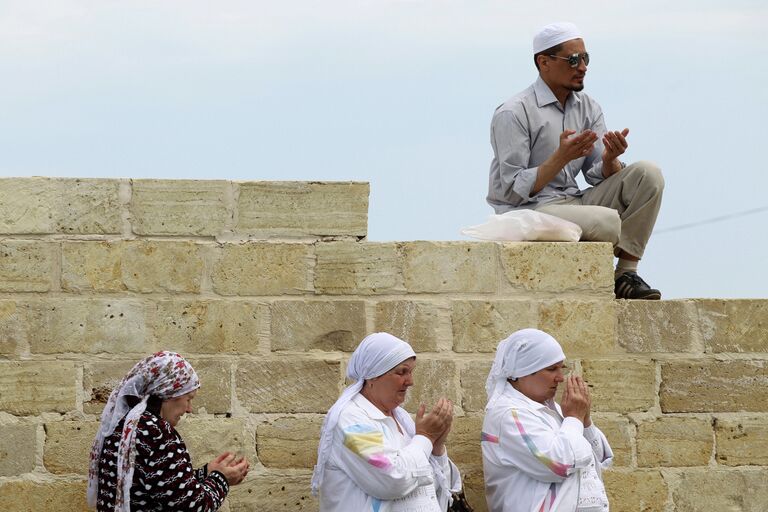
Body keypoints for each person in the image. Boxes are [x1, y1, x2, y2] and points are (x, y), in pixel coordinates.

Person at [486, 21, 664, 300]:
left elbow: (596, 174)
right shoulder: (514, 112)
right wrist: (559, 158)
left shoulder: (588, 107)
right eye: (573, 60)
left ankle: (626, 273)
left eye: (585, 58)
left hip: (574, 202)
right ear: (544, 62)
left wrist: (610, 160)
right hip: (532, 208)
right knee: (607, 222)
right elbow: (510, 191)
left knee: (649, 175)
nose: (582, 67)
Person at [311, 332, 462, 511]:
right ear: (374, 375)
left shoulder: (402, 419)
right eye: (402, 372)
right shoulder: (350, 422)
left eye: (411, 372)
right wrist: (426, 437)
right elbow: (391, 479)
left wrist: (437, 447)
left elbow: (432, 487)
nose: (410, 381)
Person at [87, 351, 249, 512]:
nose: (189, 409)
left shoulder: (123, 424)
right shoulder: (156, 432)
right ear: (169, 393)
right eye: (188, 399)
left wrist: (206, 473)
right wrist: (222, 479)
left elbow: (158, 483)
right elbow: (194, 507)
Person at [481, 329, 613, 512]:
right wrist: (574, 417)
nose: (560, 378)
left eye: (562, 368)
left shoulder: (555, 410)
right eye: (551, 369)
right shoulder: (508, 414)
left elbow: (599, 460)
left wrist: (585, 420)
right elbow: (559, 464)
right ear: (522, 371)